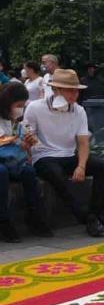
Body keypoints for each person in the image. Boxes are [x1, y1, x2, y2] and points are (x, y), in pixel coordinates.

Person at [25, 69, 104, 237]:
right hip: (44, 156)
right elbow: (28, 136)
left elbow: (83, 142)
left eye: (76, 90)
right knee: (56, 174)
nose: (74, 94)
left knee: (102, 166)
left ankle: (97, 213)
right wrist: (28, 139)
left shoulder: (79, 111)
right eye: (69, 90)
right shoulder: (35, 108)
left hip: (68, 155)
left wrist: (81, 166)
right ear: (56, 90)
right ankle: (86, 218)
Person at [0, 83, 52, 242]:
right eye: (18, 105)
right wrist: (15, 142)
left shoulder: (16, 121)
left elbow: (26, 147)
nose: (20, 109)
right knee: (1, 173)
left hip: (14, 162)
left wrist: (28, 144)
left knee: (29, 172)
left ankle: (35, 217)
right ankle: (4, 220)